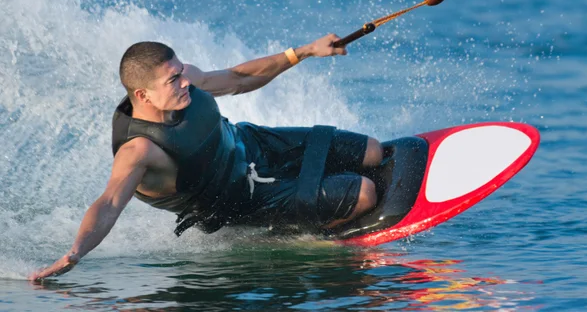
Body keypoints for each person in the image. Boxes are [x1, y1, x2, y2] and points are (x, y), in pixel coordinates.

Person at [30, 34, 384, 281]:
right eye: (173, 80)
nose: (185, 82)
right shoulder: (138, 151)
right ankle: (288, 230)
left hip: (253, 144)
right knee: (365, 192)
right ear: (143, 95)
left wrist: (305, 51)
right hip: (240, 197)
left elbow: (237, 78)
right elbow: (108, 202)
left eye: (181, 72)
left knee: (373, 150)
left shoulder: (185, 81)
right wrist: (75, 252)